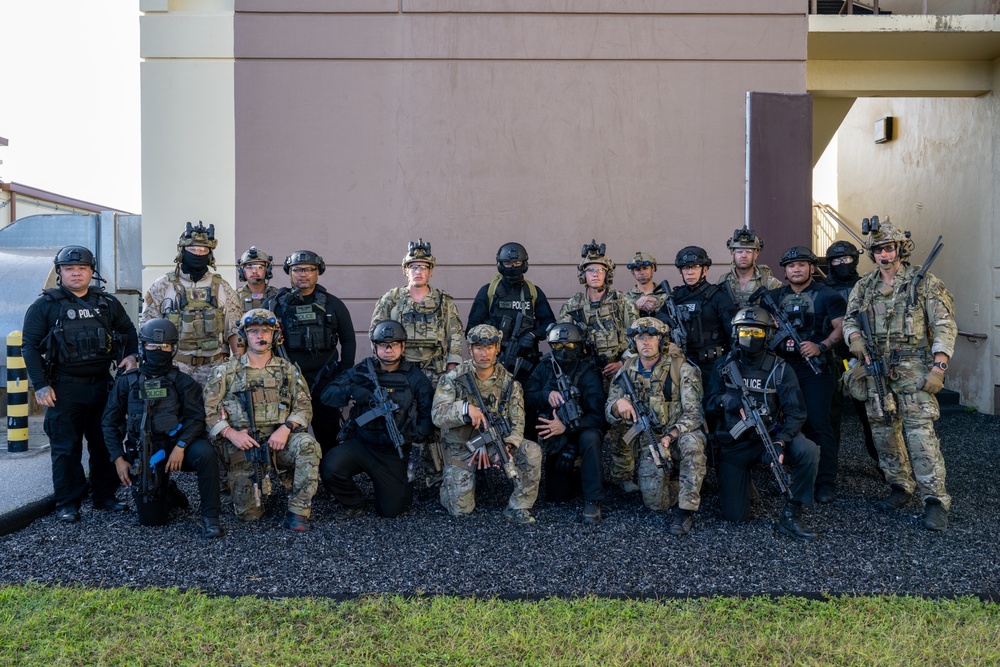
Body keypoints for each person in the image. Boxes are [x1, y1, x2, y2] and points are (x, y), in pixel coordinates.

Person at [842, 219, 956, 531]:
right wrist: (855, 340)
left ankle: (934, 499)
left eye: (889, 247)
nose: (883, 253)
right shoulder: (864, 287)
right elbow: (850, 320)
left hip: (914, 366)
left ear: (900, 250)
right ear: (872, 253)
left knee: (919, 434)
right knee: (883, 431)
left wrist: (939, 366)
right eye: (878, 249)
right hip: (876, 365)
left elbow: (945, 323)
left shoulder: (924, 282)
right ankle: (900, 487)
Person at [21, 245, 139, 523]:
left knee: (104, 443)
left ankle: (104, 496)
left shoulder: (106, 303)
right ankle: (68, 502)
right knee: (65, 448)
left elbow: (128, 330)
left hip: (102, 385)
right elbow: (29, 346)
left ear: (91, 271)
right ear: (60, 272)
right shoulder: (45, 305)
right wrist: (40, 385)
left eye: (82, 269)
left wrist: (131, 356)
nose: (76, 273)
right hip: (63, 388)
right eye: (70, 269)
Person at [101, 318, 224, 538]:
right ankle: (169, 492)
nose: (159, 350)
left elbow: (196, 419)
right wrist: (118, 458)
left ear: (173, 348)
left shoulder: (184, 383)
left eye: (165, 346)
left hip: (178, 448)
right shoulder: (127, 382)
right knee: (151, 521)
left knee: (205, 453)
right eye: (153, 346)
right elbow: (110, 422)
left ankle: (210, 517)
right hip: (145, 451)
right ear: (143, 347)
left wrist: (181, 446)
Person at [705, 307, 819, 541]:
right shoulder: (722, 365)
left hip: (769, 439)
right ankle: (745, 486)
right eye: (745, 332)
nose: (750, 337)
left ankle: (791, 514)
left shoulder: (780, 369)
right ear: (735, 334)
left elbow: (796, 414)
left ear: (767, 335)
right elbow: (707, 403)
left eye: (757, 333)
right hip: (733, 445)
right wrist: (726, 399)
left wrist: (781, 441)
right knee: (735, 517)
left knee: (808, 450)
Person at [203, 309, 321, 531]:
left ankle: (298, 511)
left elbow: (304, 405)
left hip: (280, 441)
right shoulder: (226, 371)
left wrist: (286, 428)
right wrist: (231, 434)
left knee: (308, 446)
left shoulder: (287, 370)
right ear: (244, 336)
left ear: (275, 335)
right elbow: (208, 410)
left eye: (266, 331)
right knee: (249, 515)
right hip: (244, 446)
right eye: (254, 331)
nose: (260, 336)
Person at [370, 239, 463, 484]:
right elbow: (376, 332)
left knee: (432, 420)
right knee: (400, 416)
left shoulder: (443, 301)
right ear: (405, 270)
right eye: (413, 267)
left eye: (423, 267)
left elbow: (454, 333)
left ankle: (435, 476)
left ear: (430, 271)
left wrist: (452, 367)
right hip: (401, 371)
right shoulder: (391, 299)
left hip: (434, 369)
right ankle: (402, 470)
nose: (418, 271)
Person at [319, 320, 434, 518]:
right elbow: (327, 395)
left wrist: (410, 436)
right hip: (362, 444)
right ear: (374, 346)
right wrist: (351, 390)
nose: (388, 350)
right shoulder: (362, 371)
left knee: (391, 511)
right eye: (383, 344)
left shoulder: (415, 377)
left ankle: (401, 479)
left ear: (403, 346)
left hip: (392, 451)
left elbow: (428, 415)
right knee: (330, 466)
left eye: (394, 344)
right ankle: (355, 503)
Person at [605, 317, 707, 536]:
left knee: (694, 442)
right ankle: (689, 481)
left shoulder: (682, 369)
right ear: (633, 343)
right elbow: (609, 409)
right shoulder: (626, 371)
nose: (646, 342)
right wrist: (617, 405)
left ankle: (685, 511)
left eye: (652, 337)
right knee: (655, 504)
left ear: (662, 341)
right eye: (640, 337)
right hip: (648, 441)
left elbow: (694, 414)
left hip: (676, 435)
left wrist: (670, 437)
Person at [431, 324, 542, 524]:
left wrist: (508, 447)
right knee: (461, 511)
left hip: (494, 443)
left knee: (532, 451)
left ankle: (519, 506)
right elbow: (438, 415)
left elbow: (518, 421)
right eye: (479, 348)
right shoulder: (454, 379)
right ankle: (448, 485)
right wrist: (464, 409)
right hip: (462, 446)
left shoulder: (509, 383)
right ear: (470, 349)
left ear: (497, 349)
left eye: (490, 347)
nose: (485, 354)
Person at [763, 246, 846, 504]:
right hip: (782, 368)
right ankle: (792, 473)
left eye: (801, 264)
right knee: (780, 421)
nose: (796, 269)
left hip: (816, 368)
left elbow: (842, 328)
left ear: (812, 268)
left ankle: (825, 482)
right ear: (785, 270)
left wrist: (820, 346)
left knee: (818, 424)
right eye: (791, 265)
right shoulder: (774, 297)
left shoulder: (827, 295)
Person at [558, 240, 639, 494]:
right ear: (583, 275)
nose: (595, 274)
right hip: (585, 374)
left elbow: (638, 335)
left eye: (600, 270)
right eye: (590, 270)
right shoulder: (573, 305)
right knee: (583, 421)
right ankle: (584, 475)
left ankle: (622, 475)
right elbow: (561, 339)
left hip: (617, 372)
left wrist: (622, 361)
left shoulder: (622, 302)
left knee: (621, 425)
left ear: (608, 274)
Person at [264, 250, 356, 454]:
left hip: (325, 381)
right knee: (287, 436)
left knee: (329, 435)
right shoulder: (275, 305)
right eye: (297, 269)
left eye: (309, 269)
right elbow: (260, 342)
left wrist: (345, 374)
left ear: (318, 272)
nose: (303, 274)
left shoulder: (333, 304)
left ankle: (331, 478)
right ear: (289, 273)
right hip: (287, 382)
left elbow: (348, 339)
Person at [523, 323, 606, 524]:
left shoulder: (588, 372)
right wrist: (546, 395)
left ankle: (593, 500)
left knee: (591, 438)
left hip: (582, 430)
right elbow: (525, 396)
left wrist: (568, 428)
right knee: (556, 496)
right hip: (555, 435)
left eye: (569, 346)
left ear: (579, 346)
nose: (563, 350)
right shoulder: (544, 366)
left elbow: (599, 418)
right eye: (558, 346)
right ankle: (582, 475)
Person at [140, 221, 241, 386]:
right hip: (175, 368)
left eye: (203, 250)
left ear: (210, 254)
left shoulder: (223, 287)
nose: (198, 254)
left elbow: (235, 330)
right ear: (182, 252)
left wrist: (238, 365)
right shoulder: (163, 285)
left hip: (215, 369)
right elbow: (147, 328)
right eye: (192, 249)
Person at [466, 242, 556, 379]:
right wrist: (490, 344)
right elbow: (471, 329)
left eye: (517, 262)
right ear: (500, 265)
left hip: (527, 361)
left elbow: (549, 324)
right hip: (494, 361)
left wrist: (533, 335)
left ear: (524, 264)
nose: (512, 267)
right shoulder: (488, 292)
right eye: (507, 263)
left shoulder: (533, 292)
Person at [823, 240, 877, 464]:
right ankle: (829, 467)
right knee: (830, 415)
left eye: (846, 259)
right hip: (833, 358)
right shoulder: (822, 288)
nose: (842, 263)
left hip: (861, 357)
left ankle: (883, 463)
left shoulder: (867, 286)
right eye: (837, 260)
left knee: (871, 414)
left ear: (854, 260)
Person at [657, 246, 737, 380]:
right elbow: (658, 317)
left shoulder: (718, 297)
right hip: (681, 365)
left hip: (712, 367)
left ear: (704, 270)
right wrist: (665, 319)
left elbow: (734, 334)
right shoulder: (675, 297)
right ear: (680, 272)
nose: (690, 272)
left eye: (695, 267)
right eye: (685, 268)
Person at [718, 228, 782, 308]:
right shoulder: (723, 281)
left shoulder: (770, 283)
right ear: (732, 253)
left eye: (748, 251)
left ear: (756, 254)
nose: (744, 256)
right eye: (739, 251)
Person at [624, 251, 667, 316]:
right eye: (637, 269)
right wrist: (636, 306)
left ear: (653, 269)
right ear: (633, 272)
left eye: (645, 268)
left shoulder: (664, 294)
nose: (642, 273)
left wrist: (656, 303)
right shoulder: (626, 297)